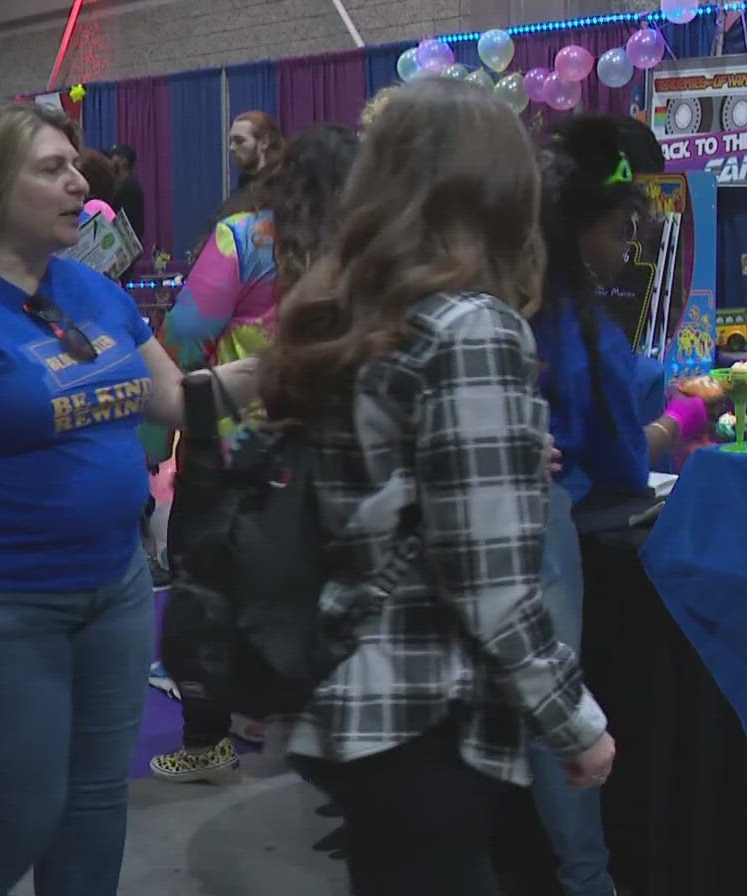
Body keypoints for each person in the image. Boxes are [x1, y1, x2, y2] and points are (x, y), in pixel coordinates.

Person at [264, 78, 614, 895]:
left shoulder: (354, 309)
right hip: (427, 711)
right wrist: (575, 723)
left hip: (358, 697)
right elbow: (487, 578)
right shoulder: (472, 327)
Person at [0, 100, 255, 895]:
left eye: (74, 165)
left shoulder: (89, 290)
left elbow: (175, 401)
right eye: (52, 169)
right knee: (14, 812)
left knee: (91, 807)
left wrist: (295, 363)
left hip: (112, 585)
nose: (80, 185)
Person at [528, 113, 710, 896]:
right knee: (555, 703)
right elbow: (624, 466)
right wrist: (684, 422)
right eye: (617, 231)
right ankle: (588, 876)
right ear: (582, 230)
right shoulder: (577, 329)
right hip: (547, 530)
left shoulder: (529, 309)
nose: (626, 248)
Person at [146, 122, 358, 785]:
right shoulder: (371, 250)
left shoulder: (243, 239)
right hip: (340, 446)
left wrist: (158, 440)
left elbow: (184, 335)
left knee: (209, 587)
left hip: (239, 443)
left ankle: (210, 741)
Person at [227, 110, 284, 192]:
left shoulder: (286, 185)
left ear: (265, 142)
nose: (231, 147)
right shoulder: (244, 181)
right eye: (232, 141)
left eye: (239, 140)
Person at [105, 144, 145, 237]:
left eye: (113, 157)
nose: (109, 161)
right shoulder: (117, 185)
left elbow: (128, 222)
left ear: (123, 161)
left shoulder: (130, 187)